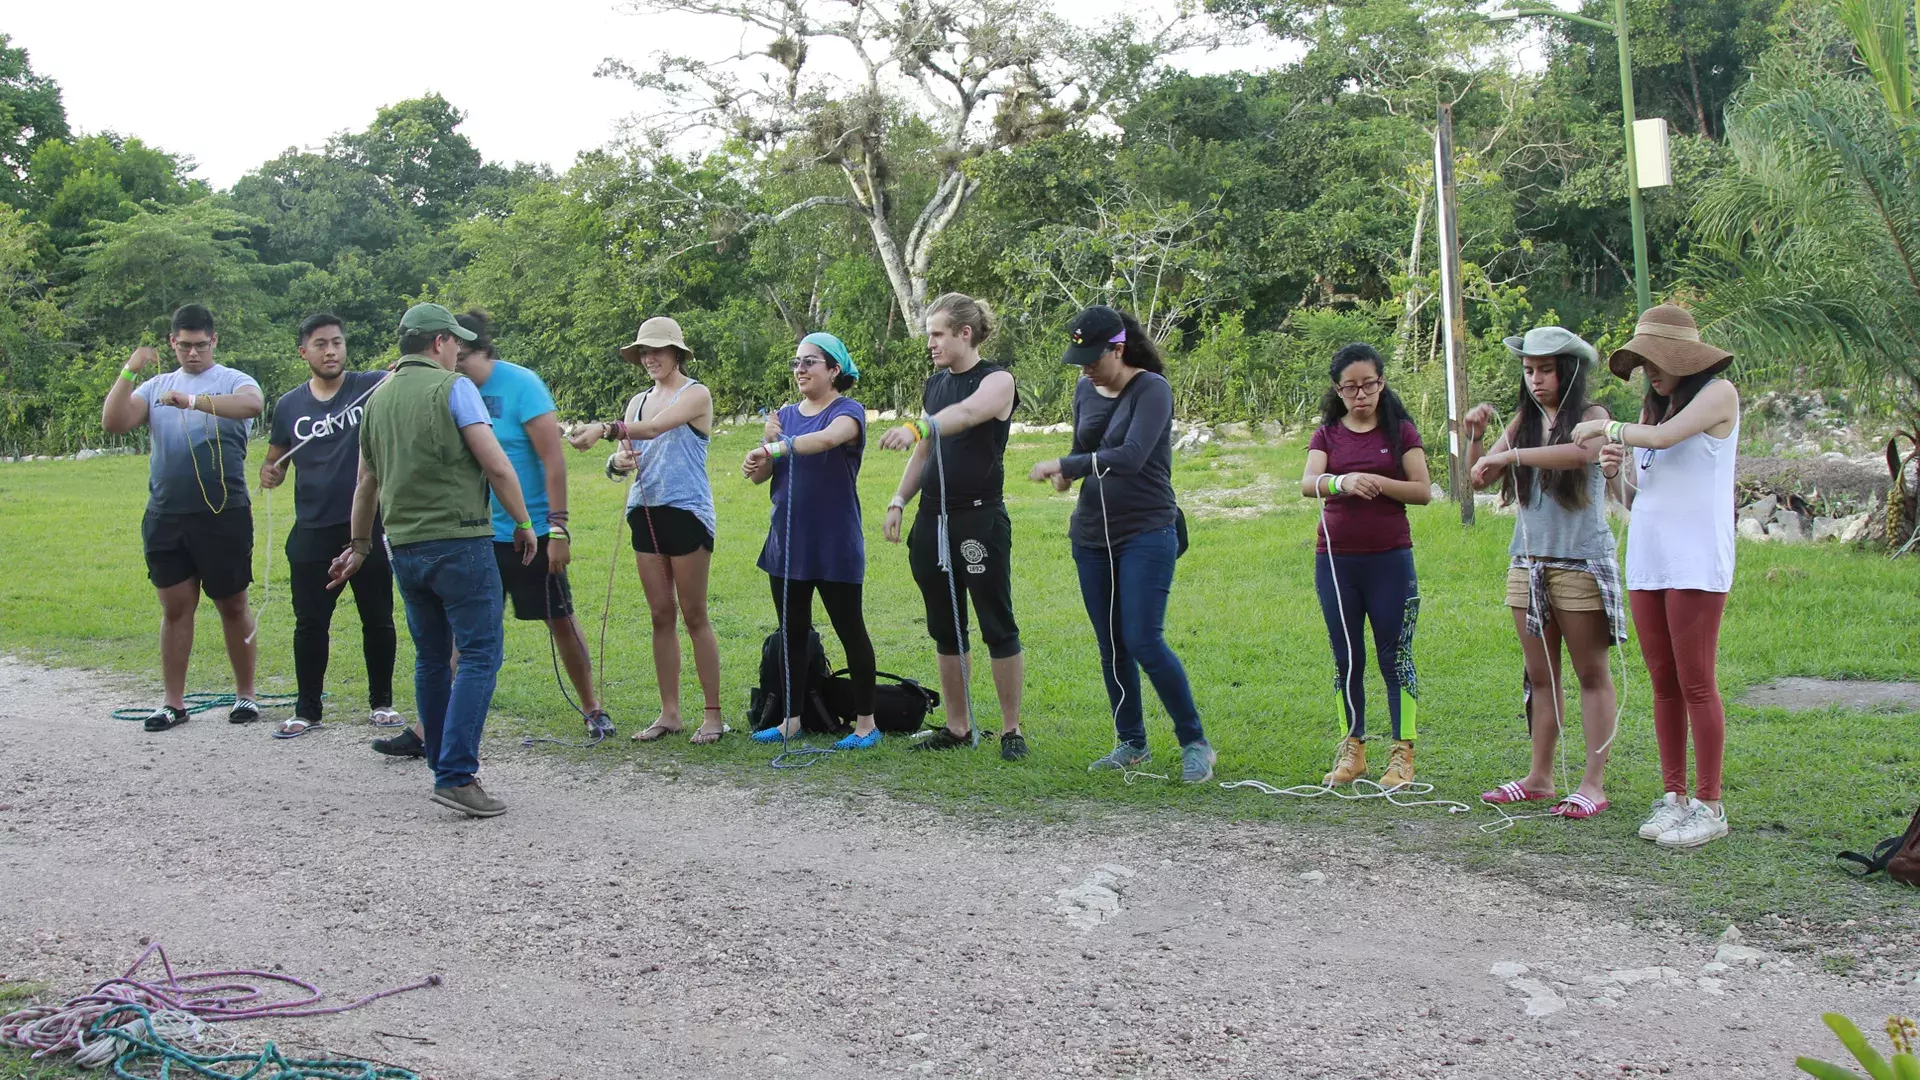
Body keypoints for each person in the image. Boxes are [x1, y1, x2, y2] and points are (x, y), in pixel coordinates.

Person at [328, 303, 537, 819]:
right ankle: (457, 774)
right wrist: (527, 524)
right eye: (455, 343)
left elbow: (365, 484)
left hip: (404, 547)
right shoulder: (454, 389)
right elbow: (496, 465)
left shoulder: (374, 400)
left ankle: (443, 765)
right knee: (480, 653)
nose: (459, 352)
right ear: (440, 343)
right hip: (460, 541)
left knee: (429, 657)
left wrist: (358, 546)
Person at [1572, 304, 1740, 849]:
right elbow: (1642, 499)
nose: (1651, 372)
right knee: (1663, 683)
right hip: (1649, 561)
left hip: (1694, 562)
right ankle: (1674, 795)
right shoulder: (1650, 417)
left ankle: (1710, 803)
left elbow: (1667, 444)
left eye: (1658, 361)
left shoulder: (1719, 396)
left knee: (1696, 681)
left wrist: (1601, 425)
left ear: (1687, 360)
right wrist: (1615, 476)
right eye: (1644, 364)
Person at [1029, 305, 1215, 784]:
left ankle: (1195, 742)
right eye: (1080, 357)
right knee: (1111, 643)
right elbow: (1082, 446)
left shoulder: (1152, 388)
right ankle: (1131, 742)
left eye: (1095, 356)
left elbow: (1131, 456)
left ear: (1119, 347)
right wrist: (1065, 476)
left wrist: (1067, 466)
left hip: (1148, 530)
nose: (1086, 366)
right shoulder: (1083, 389)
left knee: (1143, 639)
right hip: (1091, 534)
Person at [1463, 327, 1624, 819]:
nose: (1536, 379)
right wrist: (1475, 440)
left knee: (1591, 674)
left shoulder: (1594, 418)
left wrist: (1509, 453)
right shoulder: (1523, 422)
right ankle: (1540, 777)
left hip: (1579, 561)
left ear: (1569, 371)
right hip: (1527, 562)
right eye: (1529, 370)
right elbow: (1479, 476)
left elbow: (1581, 454)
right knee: (1540, 676)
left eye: (1546, 370)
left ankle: (1593, 785)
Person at [101, 304, 266, 731]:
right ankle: (173, 703)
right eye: (184, 345)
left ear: (214, 341)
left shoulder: (234, 380)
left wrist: (193, 401)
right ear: (172, 343)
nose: (192, 353)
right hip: (166, 514)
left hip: (223, 513)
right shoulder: (157, 385)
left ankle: (246, 696)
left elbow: (252, 405)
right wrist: (130, 370)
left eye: (200, 345)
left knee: (232, 604)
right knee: (175, 609)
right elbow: (114, 422)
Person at [448, 310, 611, 738]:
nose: (454, 361)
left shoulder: (523, 385)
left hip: (531, 532)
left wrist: (557, 529)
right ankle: (436, 725)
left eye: (461, 353)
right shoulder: (449, 388)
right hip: (475, 532)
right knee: (463, 630)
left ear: (480, 349)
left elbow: (553, 462)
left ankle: (593, 708)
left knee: (559, 619)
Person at [877, 293, 1027, 759]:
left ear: (966, 333)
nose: (930, 343)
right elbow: (925, 453)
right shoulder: (935, 384)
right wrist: (900, 499)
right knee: (946, 626)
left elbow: (965, 416)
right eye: (929, 334)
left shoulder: (997, 380)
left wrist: (918, 428)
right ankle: (958, 728)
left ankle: (1010, 731)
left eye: (938, 333)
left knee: (996, 624)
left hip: (979, 519)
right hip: (932, 520)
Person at [568, 316, 724, 744]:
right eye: (644, 351)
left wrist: (604, 429)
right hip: (645, 513)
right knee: (660, 615)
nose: (650, 358)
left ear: (677, 354)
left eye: (658, 350)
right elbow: (625, 454)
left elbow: (656, 429)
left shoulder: (697, 395)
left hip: (687, 513)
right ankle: (669, 712)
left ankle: (712, 715)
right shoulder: (636, 401)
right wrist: (615, 462)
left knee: (694, 615)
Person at [259, 313, 402, 739]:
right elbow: (275, 459)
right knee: (310, 623)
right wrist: (271, 472)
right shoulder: (289, 405)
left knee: (378, 619)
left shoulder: (370, 386)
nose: (331, 351)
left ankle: (382, 705)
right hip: (311, 529)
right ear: (304, 351)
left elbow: (401, 376)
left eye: (337, 342)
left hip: (366, 526)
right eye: (320, 344)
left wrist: (400, 369)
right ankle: (308, 710)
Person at [1299, 343, 1432, 789]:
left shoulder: (1401, 432)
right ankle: (1353, 748)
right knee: (1347, 656)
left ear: (1382, 382)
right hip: (1336, 562)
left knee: (1396, 656)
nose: (1361, 395)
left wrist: (1379, 483)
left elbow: (1422, 490)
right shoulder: (1327, 435)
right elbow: (1307, 483)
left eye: (1369, 384)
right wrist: (1343, 481)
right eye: (1350, 387)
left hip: (1391, 560)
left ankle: (1403, 753)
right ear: (1337, 390)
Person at [743, 333, 878, 749]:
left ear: (834, 369)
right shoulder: (783, 414)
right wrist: (758, 458)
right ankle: (792, 719)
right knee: (792, 633)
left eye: (810, 362)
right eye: (796, 363)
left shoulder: (848, 411)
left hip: (834, 542)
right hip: (787, 543)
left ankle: (866, 725)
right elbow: (763, 475)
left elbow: (825, 441)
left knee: (850, 630)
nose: (800, 370)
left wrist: (776, 445)